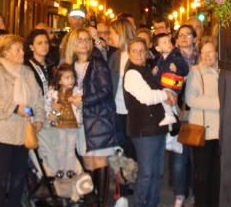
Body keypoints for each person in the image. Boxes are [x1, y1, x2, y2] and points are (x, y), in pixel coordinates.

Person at [0, 33, 44, 207]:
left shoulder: (27, 72)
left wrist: (38, 119)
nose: (22, 52)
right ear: (5, 52)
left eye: (22, 49)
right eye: (18, 49)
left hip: (22, 133)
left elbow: (38, 98)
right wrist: (15, 108)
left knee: (18, 176)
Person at [64, 28, 121, 205]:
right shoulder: (68, 66)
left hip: (98, 119)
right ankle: (91, 198)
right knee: (86, 161)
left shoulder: (98, 63)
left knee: (99, 160)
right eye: (79, 39)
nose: (84, 43)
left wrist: (84, 100)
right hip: (78, 120)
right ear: (72, 43)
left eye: (87, 39)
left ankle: (100, 202)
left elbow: (106, 91)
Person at [123, 38, 174, 207]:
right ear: (129, 54)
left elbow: (155, 91)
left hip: (156, 128)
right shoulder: (132, 73)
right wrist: (166, 95)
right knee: (147, 173)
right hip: (143, 130)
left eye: (141, 50)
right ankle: (140, 204)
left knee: (156, 172)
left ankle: (152, 203)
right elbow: (146, 97)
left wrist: (164, 92)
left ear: (146, 52)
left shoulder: (144, 69)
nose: (138, 54)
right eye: (134, 51)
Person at [185, 38, 221, 207]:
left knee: (216, 174)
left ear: (216, 53)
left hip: (219, 132)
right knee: (202, 175)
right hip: (202, 132)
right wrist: (220, 103)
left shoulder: (223, 72)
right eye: (204, 52)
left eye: (211, 51)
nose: (207, 55)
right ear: (200, 55)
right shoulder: (196, 71)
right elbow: (191, 100)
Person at [41, 64, 83, 201]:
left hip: (72, 124)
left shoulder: (77, 91)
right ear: (59, 80)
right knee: (60, 148)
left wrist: (76, 103)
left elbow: (81, 105)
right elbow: (47, 109)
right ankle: (61, 172)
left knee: (70, 149)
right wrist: (53, 110)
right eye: (67, 78)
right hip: (58, 124)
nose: (70, 80)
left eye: (72, 77)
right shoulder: (53, 93)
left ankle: (69, 171)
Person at [169, 24, 200, 206]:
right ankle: (179, 195)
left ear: (194, 39)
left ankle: (196, 193)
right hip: (178, 113)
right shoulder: (171, 58)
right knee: (179, 158)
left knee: (196, 158)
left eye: (188, 34)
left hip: (197, 113)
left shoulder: (202, 57)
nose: (184, 37)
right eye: (181, 35)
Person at [108, 18, 137, 158]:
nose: (109, 37)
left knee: (132, 149)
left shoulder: (137, 54)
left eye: (112, 33)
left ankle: (132, 177)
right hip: (117, 109)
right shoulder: (115, 56)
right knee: (121, 148)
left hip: (133, 111)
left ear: (121, 33)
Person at [152, 32, 189, 129]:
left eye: (169, 41)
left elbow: (186, 70)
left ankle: (170, 116)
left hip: (173, 86)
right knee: (168, 102)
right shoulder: (160, 59)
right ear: (158, 48)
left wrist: (177, 69)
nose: (168, 44)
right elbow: (159, 77)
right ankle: (173, 120)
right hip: (165, 85)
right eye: (164, 42)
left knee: (165, 95)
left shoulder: (176, 56)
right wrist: (155, 74)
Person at [25, 29, 52, 95]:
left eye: (46, 42)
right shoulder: (26, 67)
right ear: (31, 47)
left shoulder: (52, 66)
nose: (44, 46)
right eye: (39, 43)